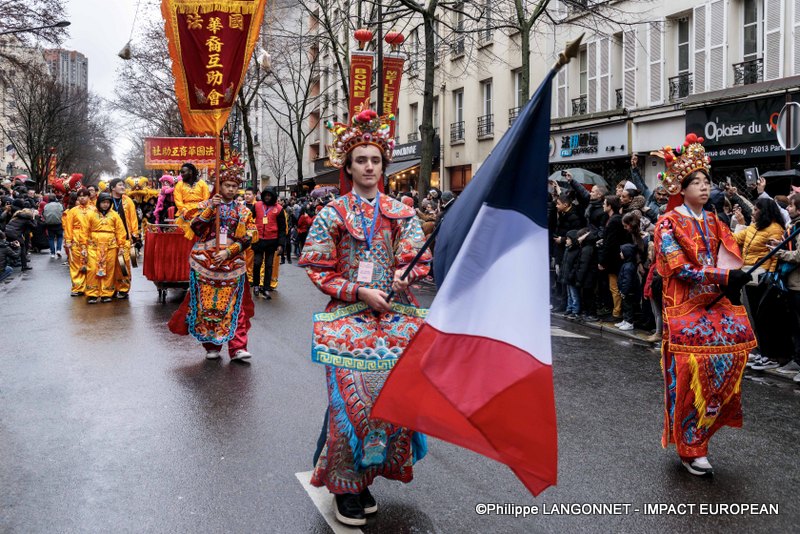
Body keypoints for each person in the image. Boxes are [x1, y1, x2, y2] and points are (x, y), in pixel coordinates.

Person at [299, 109, 430, 526]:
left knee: (387, 409)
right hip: (348, 319)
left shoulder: (402, 212)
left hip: (393, 317)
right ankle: (342, 486)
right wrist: (358, 290)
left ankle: (365, 479)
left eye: (375, 160)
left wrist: (394, 283)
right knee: (349, 408)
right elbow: (319, 267)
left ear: (384, 165)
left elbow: (416, 259)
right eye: (361, 160)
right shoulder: (332, 214)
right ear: (348, 166)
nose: (369, 167)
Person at [653, 133, 755, 476]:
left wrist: (736, 274)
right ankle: (690, 445)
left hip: (715, 307)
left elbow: (729, 255)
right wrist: (724, 278)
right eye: (695, 181)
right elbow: (679, 268)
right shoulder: (667, 223)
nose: (704, 186)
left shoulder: (714, 220)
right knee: (686, 375)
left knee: (723, 369)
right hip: (683, 309)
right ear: (681, 188)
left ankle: (703, 437)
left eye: (706, 180)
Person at [168, 155, 257, 362]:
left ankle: (237, 347)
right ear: (219, 185)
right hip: (205, 263)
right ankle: (212, 345)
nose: (231, 189)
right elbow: (196, 228)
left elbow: (249, 235)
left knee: (235, 306)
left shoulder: (243, 211)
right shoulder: (207, 205)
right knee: (208, 306)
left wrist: (229, 251)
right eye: (227, 185)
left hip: (232, 263)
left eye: (235, 186)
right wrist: (210, 209)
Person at [732, 197, 791, 371]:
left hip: (763, 276)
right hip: (749, 273)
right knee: (755, 316)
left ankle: (770, 354)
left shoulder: (775, 229)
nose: (753, 212)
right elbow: (737, 238)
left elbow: (774, 255)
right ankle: (761, 351)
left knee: (765, 317)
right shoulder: (754, 226)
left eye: (757, 209)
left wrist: (770, 276)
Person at [769, 195, 800, 381]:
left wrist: (779, 252)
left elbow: (798, 256)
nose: (788, 209)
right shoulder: (793, 227)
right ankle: (796, 359)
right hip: (793, 282)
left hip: (798, 283)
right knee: (794, 325)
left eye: (791, 205)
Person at [85, 193, 127, 304]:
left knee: (109, 269)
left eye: (108, 202)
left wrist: (121, 245)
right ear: (99, 203)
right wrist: (83, 245)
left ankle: (106, 293)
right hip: (94, 245)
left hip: (110, 246)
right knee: (92, 269)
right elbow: (85, 230)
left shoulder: (114, 215)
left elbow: (120, 231)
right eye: (103, 202)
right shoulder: (91, 214)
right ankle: (92, 293)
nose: (105, 205)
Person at [108, 178, 139, 299]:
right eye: (120, 185)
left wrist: (135, 234)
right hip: (109, 239)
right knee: (110, 265)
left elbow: (133, 218)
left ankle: (123, 288)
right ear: (112, 188)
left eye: (123, 185)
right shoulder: (106, 200)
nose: (123, 187)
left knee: (123, 264)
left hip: (125, 238)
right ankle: (110, 288)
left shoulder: (128, 201)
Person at [252, 187, 285, 299]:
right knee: (257, 263)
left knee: (269, 265)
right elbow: (249, 220)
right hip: (258, 240)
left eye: (269, 195)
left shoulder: (279, 209)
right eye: (266, 195)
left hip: (272, 241)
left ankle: (266, 288)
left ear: (273, 196)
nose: (267, 197)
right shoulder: (256, 206)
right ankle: (256, 285)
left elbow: (282, 228)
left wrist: (281, 244)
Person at [63, 188, 95, 296]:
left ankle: (90, 286)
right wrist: (68, 240)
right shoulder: (73, 211)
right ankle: (77, 287)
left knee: (90, 263)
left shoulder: (94, 210)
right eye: (80, 196)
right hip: (76, 240)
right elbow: (68, 227)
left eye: (84, 195)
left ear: (89, 197)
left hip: (90, 241)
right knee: (76, 264)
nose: (82, 198)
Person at [174, 162, 210, 239]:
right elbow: (178, 200)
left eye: (183, 172)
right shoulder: (179, 184)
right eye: (181, 173)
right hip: (184, 212)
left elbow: (206, 198)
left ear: (190, 172)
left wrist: (200, 210)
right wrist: (184, 211)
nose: (181, 175)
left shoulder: (202, 184)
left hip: (200, 211)